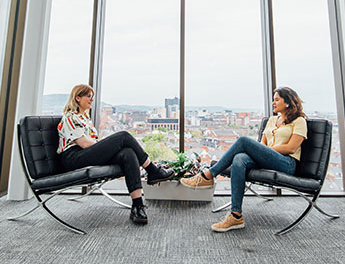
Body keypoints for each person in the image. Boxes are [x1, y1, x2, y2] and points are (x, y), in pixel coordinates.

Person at [181, 86, 307, 232]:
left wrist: (265, 151)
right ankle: (236, 215)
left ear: (288, 102)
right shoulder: (272, 120)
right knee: (239, 158)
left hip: (286, 163)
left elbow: (291, 147)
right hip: (269, 159)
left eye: (277, 100)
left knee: (243, 141)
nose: (273, 102)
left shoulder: (299, 121)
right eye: (273, 100)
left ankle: (208, 175)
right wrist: (263, 151)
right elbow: (263, 144)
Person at [58, 84, 174, 225]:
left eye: (92, 97)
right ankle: (153, 170)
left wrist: (107, 148)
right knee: (123, 136)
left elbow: (91, 145)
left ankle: (137, 205)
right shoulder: (70, 117)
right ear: (77, 98)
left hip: (85, 154)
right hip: (73, 158)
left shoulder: (85, 119)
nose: (91, 100)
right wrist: (108, 146)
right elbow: (84, 144)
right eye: (88, 96)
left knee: (128, 152)